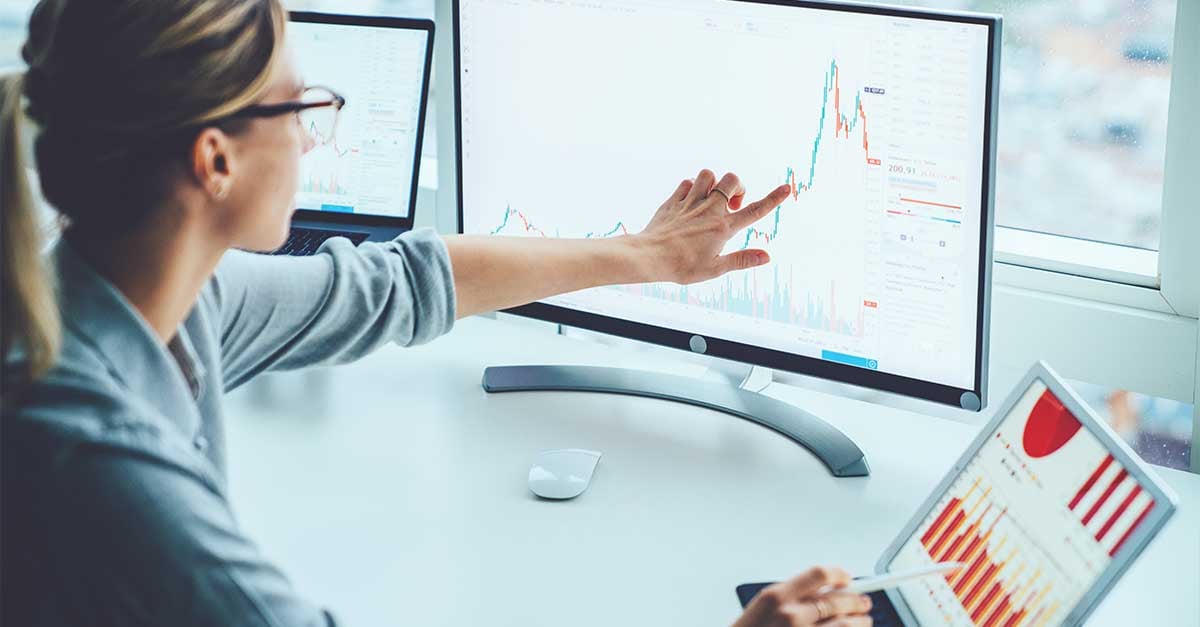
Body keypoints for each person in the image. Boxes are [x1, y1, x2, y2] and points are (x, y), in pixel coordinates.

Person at [0, 1, 874, 625]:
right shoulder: (95, 457)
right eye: (300, 108)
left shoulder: (139, 297)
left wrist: (646, 256)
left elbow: (401, 283)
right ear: (214, 161)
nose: (312, 136)